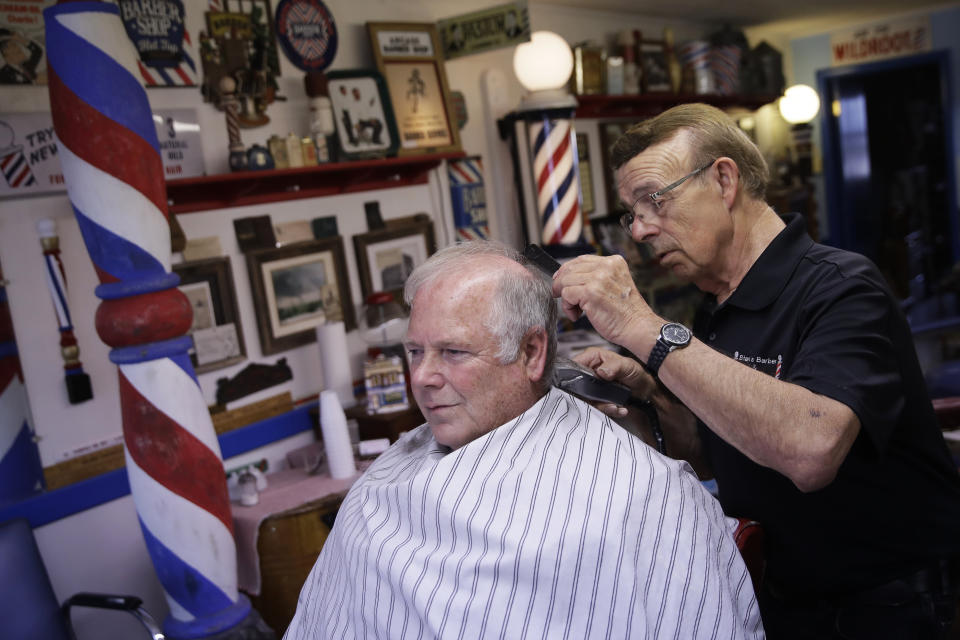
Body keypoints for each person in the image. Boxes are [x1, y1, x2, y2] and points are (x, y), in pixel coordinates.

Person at [552, 103, 960, 638]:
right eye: (632, 213)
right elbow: (712, 449)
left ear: (724, 180)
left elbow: (811, 451)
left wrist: (639, 325)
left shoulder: (841, 287)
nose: (642, 230)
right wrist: (648, 396)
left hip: (890, 606)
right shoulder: (716, 305)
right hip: (785, 599)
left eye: (654, 200)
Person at [285, 241, 764, 639]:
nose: (422, 377)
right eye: (414, 351)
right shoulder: (389, 474)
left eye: (452, 352)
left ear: (532, 352)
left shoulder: (641, 494)